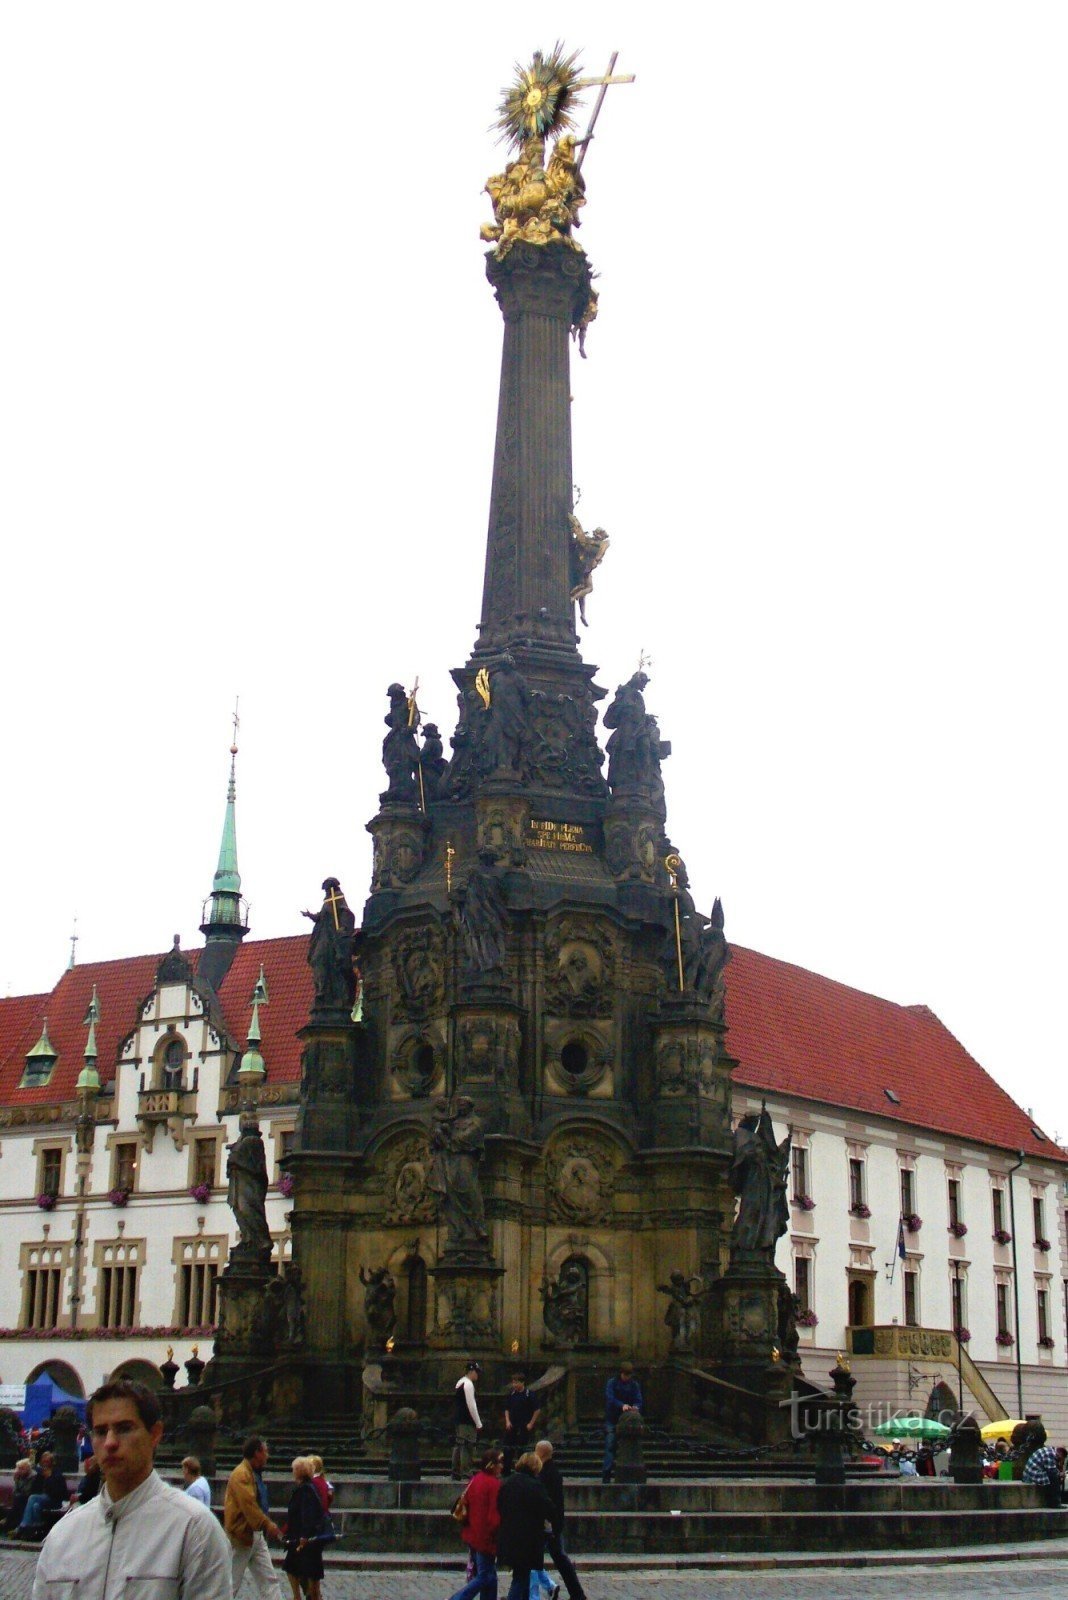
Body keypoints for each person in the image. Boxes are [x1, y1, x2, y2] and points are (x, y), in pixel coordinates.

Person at [31, 1377, 231, 1599]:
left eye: (124, 1428)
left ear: (155, 1434)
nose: (110, 1442)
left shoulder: (194, 1529)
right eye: (100, 1431)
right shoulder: (64, 1535)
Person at [225, 1435, 284, 1598]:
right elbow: (248, 1504)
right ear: (257, 1453)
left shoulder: (252, 1472)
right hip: (242, 1536)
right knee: (230, 1583)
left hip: (254, 1535)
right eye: (265, 1451)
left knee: (269, 1580)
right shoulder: (241, 1474)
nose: (267, 1455)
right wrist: (267, 1524)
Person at [496, 1452, 560, 1600]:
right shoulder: (535, 1486)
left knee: (520, 1575)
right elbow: (550, 1510)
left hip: (508, 1535)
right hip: (528, 1539)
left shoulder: (507, 1482)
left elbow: (499, 1506)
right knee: (521, 1578)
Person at [528, 1440, 586, 1600]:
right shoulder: (550, 1471)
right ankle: (575, 1593)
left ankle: (576, 1593)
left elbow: (547, 1502)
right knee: (556, 1558)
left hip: (548, 1524)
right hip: (552, 1523)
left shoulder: (546, 1474)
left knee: (552, 1558)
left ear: (541, 1453)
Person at [446, 1446, 504, 1600]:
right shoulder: (494, 1485)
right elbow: (494, 1516)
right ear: (492, 1465)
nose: (502, 1466)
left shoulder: (476, 1479)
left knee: (489, 1576)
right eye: (500, 1463)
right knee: (485, 1576)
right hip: (485, 1537)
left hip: (472, 1533)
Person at [283, 1455, 328, 1600]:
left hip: (303, 1539)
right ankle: (306, 1595)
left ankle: (299, 1597)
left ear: (298, 1471)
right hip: (306, 1539)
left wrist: (304, 1535)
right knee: (305, 1572)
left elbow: (306, 1514)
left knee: (294, 1568)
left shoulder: (304, 1490)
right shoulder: (309, 1487)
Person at [602, 1362, 642, 1483]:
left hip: (628, 1420)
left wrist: (635, 1406)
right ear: (621, 1373)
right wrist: (621, 1405)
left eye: (629, 1375)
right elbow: (610, 1398)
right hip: (613, 1419)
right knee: (610, 1445)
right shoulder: (612, 1383)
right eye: (625, 1375)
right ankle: (606, 1473)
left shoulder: (634, 1385)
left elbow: (639, 1399)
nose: (627, 1378)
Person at [16, 1449, 67, 1538]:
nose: (45, 1464)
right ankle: (35, 1531)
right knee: (36, 1506)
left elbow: (59, 1492)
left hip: (54, 1501)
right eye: (43, 1462)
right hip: (41, 1501)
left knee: (33, 1498)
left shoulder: (57, 1474)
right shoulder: (40, 1474)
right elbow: (35, 1489)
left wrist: (49, 1478)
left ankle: (23, 1526)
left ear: (52, 1462)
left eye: (47, 1461)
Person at [502, 1372, 541, 1474]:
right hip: (512, 1425)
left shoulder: (529, 1395)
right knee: (508, 1448)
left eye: (516, 1382)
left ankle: (521, 1470)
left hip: (524, 1425)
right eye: (513, 1383)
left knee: (522, 1449)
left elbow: (537, 1410)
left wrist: (531, 1423)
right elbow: (507, 1409)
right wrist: (507, 1421)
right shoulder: (511, 1394)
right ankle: (506, 1470)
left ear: (522, 1382)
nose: (514, 1385)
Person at [453, 1360, 484, 1480]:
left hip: (459, 1418)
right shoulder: (468, 1384)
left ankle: (455, 1470)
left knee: (459, 1445)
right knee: (467, 1445)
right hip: (467, 1420)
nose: (477, 1375)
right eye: (476, 1372)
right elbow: (472, 1405)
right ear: (471, 1371)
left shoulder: (460, 1382)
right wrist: (478, 1423)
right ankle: (466, 1471)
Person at [1, 1458, 33, 1533]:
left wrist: (19, 1491)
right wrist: (16, 1479)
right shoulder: (19, 1476)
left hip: (29, 1498)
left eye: (22, 1468)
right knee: (17, 1500)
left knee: (18, 1500)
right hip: (20, 1499)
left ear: (27, 1468)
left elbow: (28, 1490)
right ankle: (10, 1524)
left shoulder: (33, 1477)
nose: (20, 1470)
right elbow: (14, 1491)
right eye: (19, 1468)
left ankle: (7, 1522)